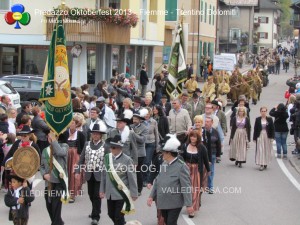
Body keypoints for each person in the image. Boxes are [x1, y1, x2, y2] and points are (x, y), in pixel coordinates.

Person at [147, 134, 193, 225]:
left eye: (163, 152)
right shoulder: (164, 164)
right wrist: (151, 196)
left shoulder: (181, 166)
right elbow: (157, 181)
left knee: (171, 222)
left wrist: (189, 204)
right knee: (167, 222)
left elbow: (186, 186)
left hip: (175, 202)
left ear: (169, 153)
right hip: (163, 201)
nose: (162, 154)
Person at [100, 135, 138, 225]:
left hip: (121, 194)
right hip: (110, 193)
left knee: (118, 216)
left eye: (113, 148)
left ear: (119, 148)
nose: (111, 149)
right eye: (111, 147)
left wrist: (134, 193)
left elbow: (132, 178)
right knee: (110, 214)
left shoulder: (127, 160)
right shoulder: (107, 158)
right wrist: (102, 190)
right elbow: (103, 175)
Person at [75, 124, 107, 225]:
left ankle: (95, 216)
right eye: (94, 134)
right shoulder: (87, 144)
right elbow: (81, 159)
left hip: (100, 174)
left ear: (101, 135)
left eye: (97, 134)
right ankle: (95, 209)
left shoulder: (105, 146)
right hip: (89, 173)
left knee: (97, 195)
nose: (95, 136)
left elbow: (107, 161)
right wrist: (77, 171)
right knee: (90, 194)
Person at [40, 131, 68, 225]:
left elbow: (61, 153)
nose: (49, 138)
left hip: (58, 182)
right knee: (49, 206)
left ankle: (56, 223)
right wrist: (44, 175)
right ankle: (58, 222)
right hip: (48, 183)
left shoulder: (64, 146)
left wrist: (54, 141)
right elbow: (42, 166)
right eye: (49, 137)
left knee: (56, 207)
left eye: (52, 136)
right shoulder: (45, 150)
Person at [181, 130, 210, 217]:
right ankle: (188, 205)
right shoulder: (185, 146)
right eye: (191, 136)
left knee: (195, 190)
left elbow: (205, 160)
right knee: (187, 189)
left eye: (194, 137)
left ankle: (192, 209)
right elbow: (181, 158)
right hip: (186, 170)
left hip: (197, 170)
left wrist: (208, 171)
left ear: (198, 138)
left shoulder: (202, 147)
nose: (192, 138)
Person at [65, 119, 86, 203]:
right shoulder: (65, 133)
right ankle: (66, 192)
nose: (71, 124)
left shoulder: (80, 134)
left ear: (76, 125)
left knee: (74, 174)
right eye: (70, 123)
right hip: (66, 155)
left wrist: (82, 158)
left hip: (76, 156)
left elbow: (83, 147)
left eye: (73, 123)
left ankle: (72, 194)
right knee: (66, 173)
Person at [131, 108, 149, 196]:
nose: (134, 120)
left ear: (140, 120)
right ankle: (132, 188)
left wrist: (133, 134)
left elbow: (142, 140)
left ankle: (139, 189)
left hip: (139, 153)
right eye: (133, 119)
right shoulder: (131, 127)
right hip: (131, 153)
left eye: (136, 119)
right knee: (130, 172)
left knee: (138, 172)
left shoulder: (145, 128)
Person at [203, 117, 221, 193]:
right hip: (203, 153)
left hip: (212, 153)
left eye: (208, 122)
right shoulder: (202, 131)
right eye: (205, 121)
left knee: (210, 169)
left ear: (212, 123)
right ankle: (204, 185)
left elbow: (218, 143)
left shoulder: (215, 132)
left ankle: (210, 186)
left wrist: (218, 155)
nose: (206, 123)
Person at [253, 107, 275, 171]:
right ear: (260, 112)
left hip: (267, 136)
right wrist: (254, 138)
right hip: (260, 135)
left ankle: (265, 162)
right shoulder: (257, 119)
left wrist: (272, 137)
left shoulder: (270, 119)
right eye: (262, 111)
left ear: (266, 112)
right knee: (260, 149)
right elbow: (255, 129)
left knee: (266, 149)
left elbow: (272, 129)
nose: (263, 112)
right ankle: (261, 164)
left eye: (264, 111)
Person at [143, 107, 159, 186]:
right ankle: (143, 178)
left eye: (148, 113)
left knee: (147, 161)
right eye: (145, 113)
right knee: (143, 162)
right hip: (142, 144)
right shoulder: (141, 121)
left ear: (150, 114)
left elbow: (156, 134)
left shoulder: (154, 122)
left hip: (151, 143)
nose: (146, 115)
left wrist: (157, 146)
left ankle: (147, 179)